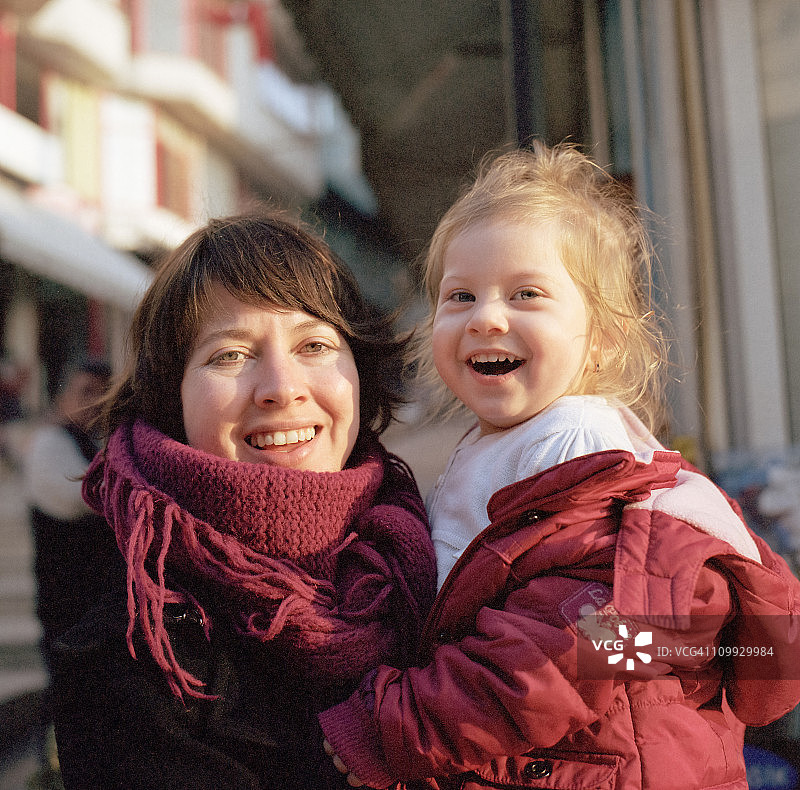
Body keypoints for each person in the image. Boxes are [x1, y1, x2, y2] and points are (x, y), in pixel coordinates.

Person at [319, 142, 800, 789]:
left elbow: (573, 652)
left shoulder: (578, 448)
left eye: (525, 294)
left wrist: (390, 729)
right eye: (460, 296)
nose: (487, 317)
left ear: (601, 333)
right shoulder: (506, 443)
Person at [50, 213, 437, 790]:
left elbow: (603, 658)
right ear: (170, 397)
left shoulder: (440, 547)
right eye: (230, 355)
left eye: (314, 344)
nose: (281, 386)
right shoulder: (133, 640)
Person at [25, 359, 119, 674]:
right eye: (85, 392)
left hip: (100, 602)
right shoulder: (49, 444)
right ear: (64, 397)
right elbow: (78, 496)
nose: (95, 402)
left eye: (104, 394)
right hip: (66, 603)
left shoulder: (101, 443)